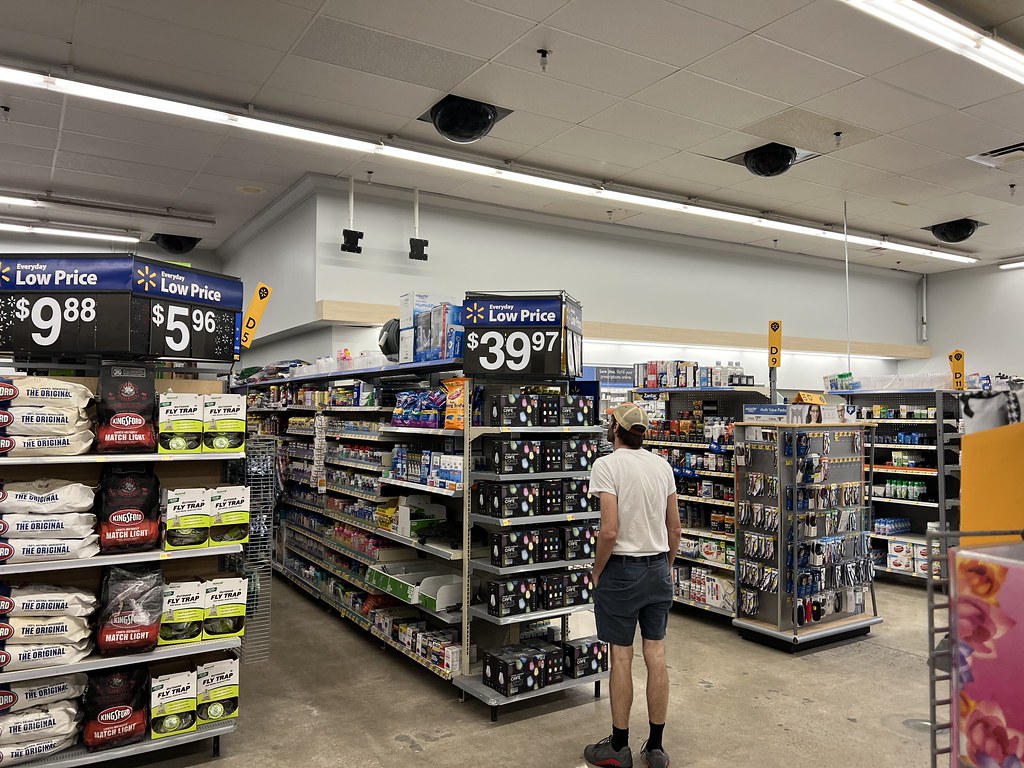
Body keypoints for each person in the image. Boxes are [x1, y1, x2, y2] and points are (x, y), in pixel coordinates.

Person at [584, 402, 680, 768]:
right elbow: (675, 528)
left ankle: (619, 747)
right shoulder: (662, 466)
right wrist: (665, 566)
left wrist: (597, 571)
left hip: (621, 572)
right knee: (656, 654)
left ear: (615, 429)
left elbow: (609, 530)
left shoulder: (606, 465)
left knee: (621, 655)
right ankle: (655, 748)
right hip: (658, 568)